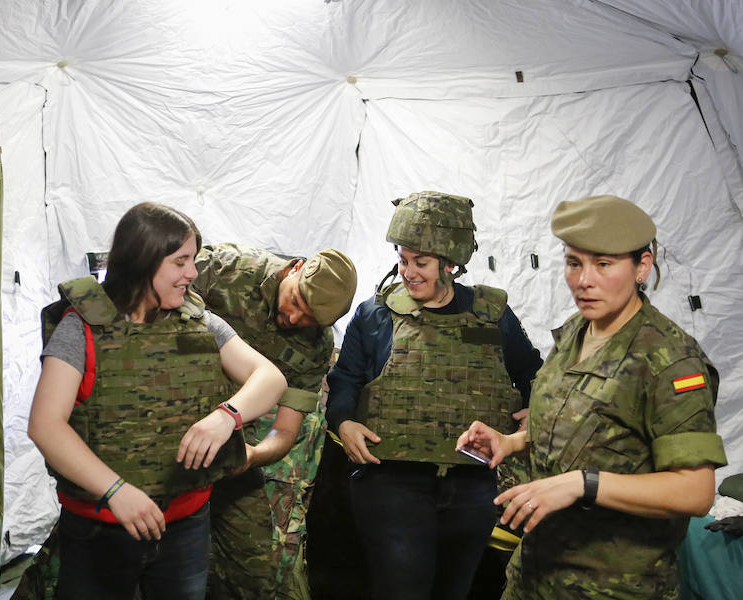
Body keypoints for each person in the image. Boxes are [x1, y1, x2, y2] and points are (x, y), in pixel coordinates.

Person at [457, 195, 728, 599]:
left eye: (603, 264)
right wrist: (511, 442)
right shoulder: (575, 333)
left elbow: (696, 492)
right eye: (573, 263)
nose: (584, 280)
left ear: (642, 267)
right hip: (535, 575)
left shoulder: (669, 360)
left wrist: (585, 485)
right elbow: (578, 424)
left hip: (612, 588)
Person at [26, 202, 287, 600]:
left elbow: (270, 377)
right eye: (181, 261)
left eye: (194, 260)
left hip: (184, 525)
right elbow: (45, 425)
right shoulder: (81, 328)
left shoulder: (198, 322)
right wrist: (116, 491)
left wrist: (226, 416)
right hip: (100, 530)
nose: (193, 274)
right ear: (143, 260)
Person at [324, 191, 543, 600]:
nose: (408, 272)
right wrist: (344, 420)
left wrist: (534, 409)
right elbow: (346, 379)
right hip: (391, 484)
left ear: (451, 263)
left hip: (471, 484)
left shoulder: (492, 315)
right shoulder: (376, 315)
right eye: (402, 259)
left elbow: (531, 372)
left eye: (420, 262)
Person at [193, 242, 358, 600]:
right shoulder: (225, 270)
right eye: (297, 302)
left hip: (230, 452)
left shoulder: (315, 345)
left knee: (256, 569)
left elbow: (285, 432)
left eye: (312, 318)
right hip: (168, 428)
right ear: (294, 269)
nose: (296, 319)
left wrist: (253, 456)